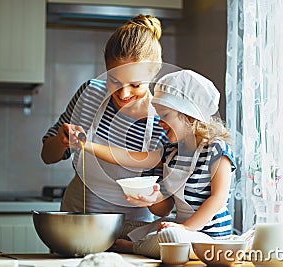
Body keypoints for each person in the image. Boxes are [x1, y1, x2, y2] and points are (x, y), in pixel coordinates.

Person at [82, 69, 237, 258]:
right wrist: (152, 199)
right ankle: (143, 242)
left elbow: (218, 199)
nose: (159, 123)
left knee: (171, 237)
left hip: (209, 239)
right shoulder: (171, 153)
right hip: (178, 228)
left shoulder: (216, 150)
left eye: (165, 115)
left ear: (189, 116)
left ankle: (133, 247)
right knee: (123, 227)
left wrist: (185, 229)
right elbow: (132, 158)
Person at [41, 14, 169, 240]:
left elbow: (164, 207)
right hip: (76, 222)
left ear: (154, 74)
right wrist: (61, 141)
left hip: (131, 231)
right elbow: (47, 155)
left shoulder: (164, 121)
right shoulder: (89, 94)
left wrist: (152, 199)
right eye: (114, 81)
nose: (123, 93)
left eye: (136, 84)